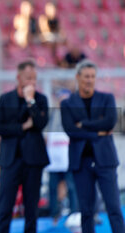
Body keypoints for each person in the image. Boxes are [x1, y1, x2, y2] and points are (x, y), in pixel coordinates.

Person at [61, 60, 125, 233]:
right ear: (78, 77)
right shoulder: (67, 104)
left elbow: (110, 121)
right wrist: (98, 131)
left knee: (113, 208)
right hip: (81, 163)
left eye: (92, 76)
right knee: (86, 210)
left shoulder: (107, 98)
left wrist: (84, 124)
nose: (89, 80)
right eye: (86, 76)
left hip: (105, 161)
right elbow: (71, 131)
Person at [0, 60, 49, 233]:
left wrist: (30, 101)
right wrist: (22, 127)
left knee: (31, 208)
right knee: (5, 207)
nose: (32, 82)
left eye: (34, 78)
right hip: (10, 160)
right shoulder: (5, 98)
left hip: (33, 161)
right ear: (18, 77)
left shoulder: (40, 99)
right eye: (28, 78)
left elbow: (40, 124)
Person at [46, 89, 78, 223]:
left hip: (67, 159)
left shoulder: (73, 115)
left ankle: (75, 215)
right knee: (52, 189)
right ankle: (54, 216)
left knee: (71, 188)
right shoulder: (52, 115)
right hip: (53, 160)